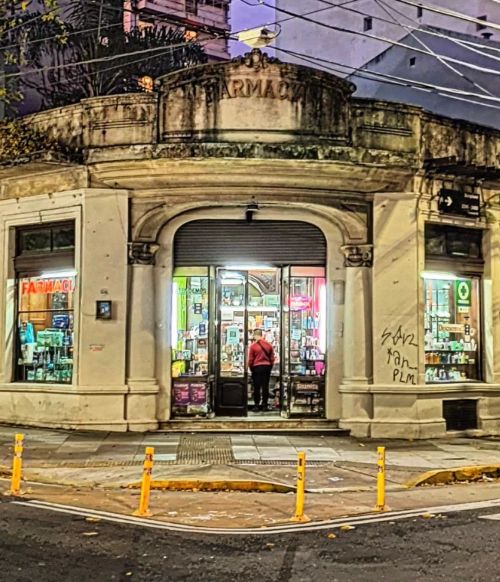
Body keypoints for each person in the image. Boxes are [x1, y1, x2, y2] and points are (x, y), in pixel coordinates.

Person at [248, 329, 275, 412]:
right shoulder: (269, 345)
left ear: (255, 335)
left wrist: (251, 368)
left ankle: (256, 405)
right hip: (266, 367)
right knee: (265, 387)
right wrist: (270, 367)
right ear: (262, 335)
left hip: (257, 368)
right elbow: (272, 359)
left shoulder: (253, 346)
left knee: (257, 387)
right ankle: (264, 405)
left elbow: (250, 360)